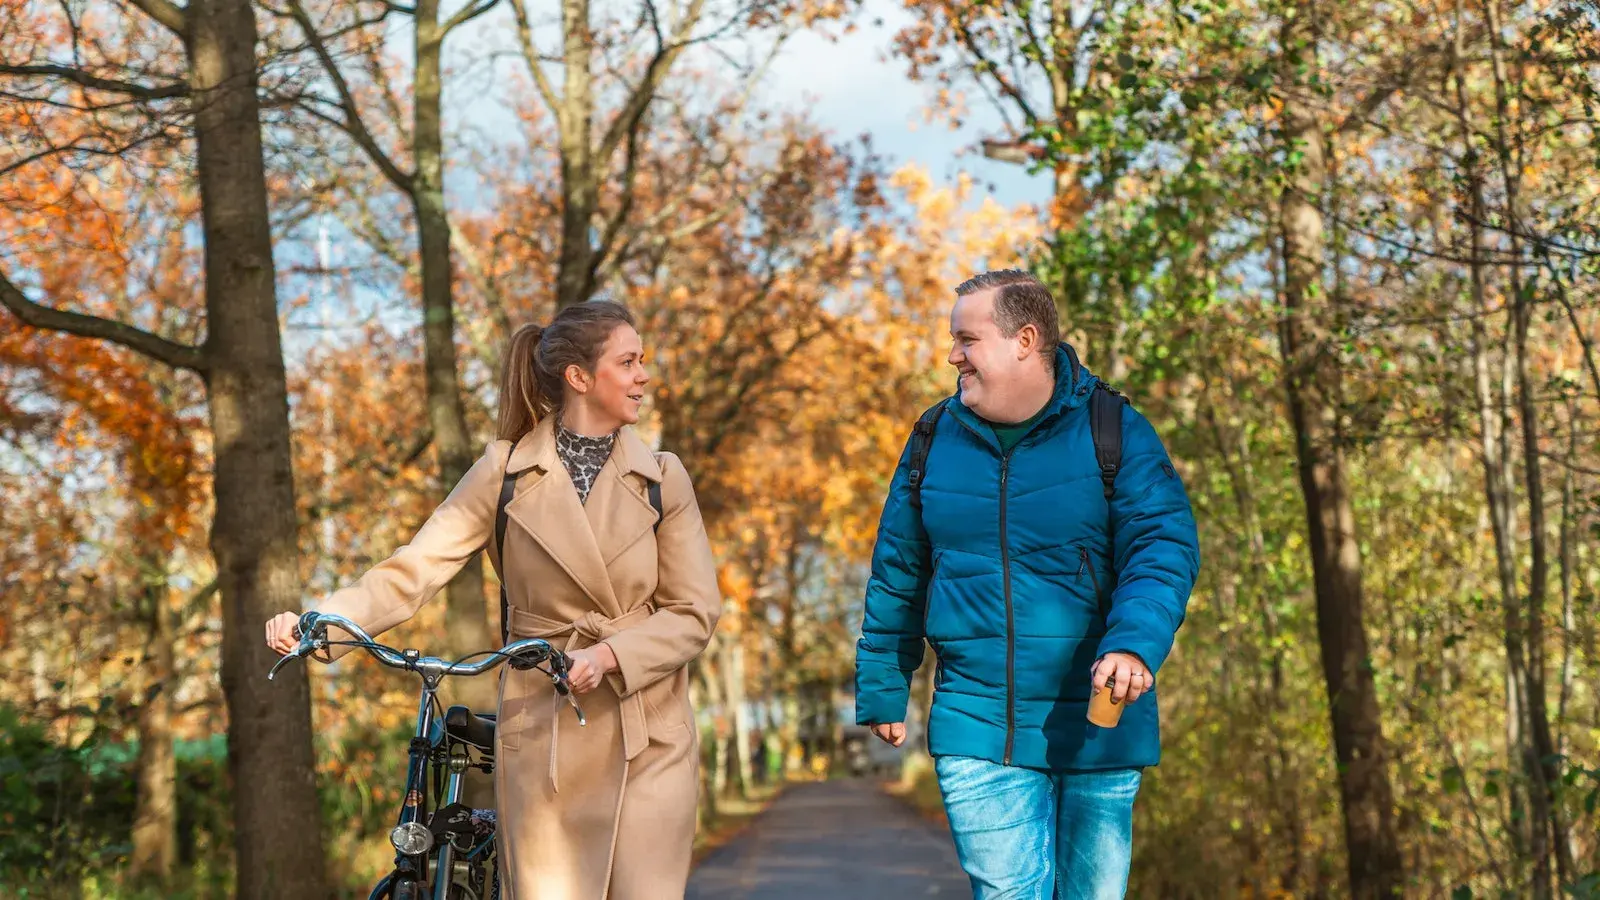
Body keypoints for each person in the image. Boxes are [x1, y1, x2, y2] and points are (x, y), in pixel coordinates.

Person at [265, 300, 721, 900]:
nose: (643, 376)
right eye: (628, 362)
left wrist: (609, 658)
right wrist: (324, 623)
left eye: (642, 361)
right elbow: (416, 566)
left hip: (647, 731)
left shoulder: (664, 478)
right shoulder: (504, 473)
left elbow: (694, 614)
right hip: (544, 730)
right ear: (579, 377)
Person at [854, 270, 1200, 899]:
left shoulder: (1114, 430)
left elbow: (1163, 546)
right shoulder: (932, 439)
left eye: (967, 339)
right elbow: (899, 567)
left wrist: (1133, 644)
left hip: (1096, 720)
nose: (953, 355)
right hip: (977, 718)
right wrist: (884, 682)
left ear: (1024, 340)